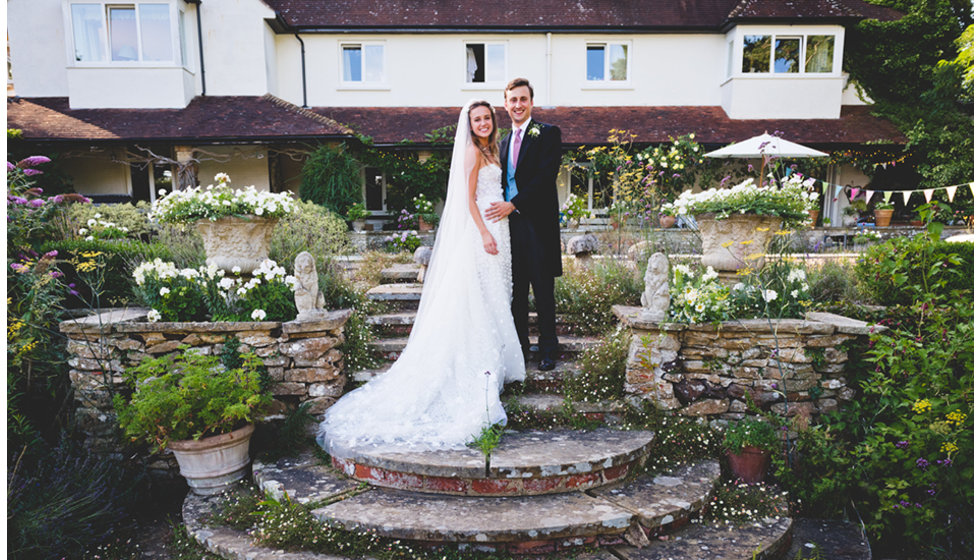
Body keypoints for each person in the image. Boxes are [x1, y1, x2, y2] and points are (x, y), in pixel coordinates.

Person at [317, 100, 525, 457]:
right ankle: (481, 368)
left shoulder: (494, 151)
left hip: (500, 229)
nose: (483, 123)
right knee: (481, 299)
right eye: (477, 119)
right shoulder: (473, 155)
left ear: (493, 121)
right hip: (484, 234)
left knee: (495, 296)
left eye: (487, 118)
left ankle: (498, 364)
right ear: (470, 124)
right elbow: (468, 201)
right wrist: (485, 234)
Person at [485, 78, 563, 371]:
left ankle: (547, 349)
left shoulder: (547, 133)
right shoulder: (502, 143)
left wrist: (514, 204)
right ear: (505, 105)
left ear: (531, 102)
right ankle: (520, 347)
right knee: (515, 292)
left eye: (523, 99)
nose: (517, 105)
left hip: (539, 226)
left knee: (543, 290)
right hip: (509, 229)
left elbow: (545, 178)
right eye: (512, 100)